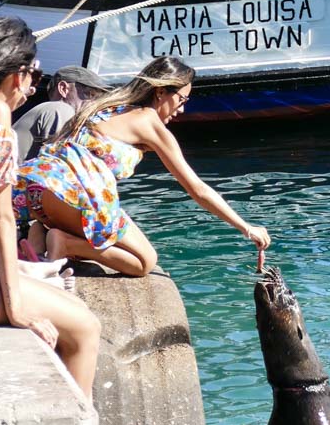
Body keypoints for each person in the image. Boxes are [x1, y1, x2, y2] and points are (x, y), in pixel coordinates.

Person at [0, 17, 139, 425]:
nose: (32, 86)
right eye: (32, 74)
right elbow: (1, 219)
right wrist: (17, 303)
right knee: (84, 328)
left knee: (37, 285)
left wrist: (14, 274)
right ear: (13, 75)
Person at [14, 55, 271, 276]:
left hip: (37, 192)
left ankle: (40, 231)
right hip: (71, 196)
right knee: (144, 263)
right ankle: (63, 242)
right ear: (160, 92)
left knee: (106, 227)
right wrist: (246, 228)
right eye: (181, 99)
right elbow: (197, 189)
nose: (181, 110)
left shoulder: (106, 106)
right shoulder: (148, 122)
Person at [13, 64, 112, 161]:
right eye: (90, 94)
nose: (94, 103)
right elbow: (61, 161)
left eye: (98, 98)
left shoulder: (50, 110)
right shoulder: (61, 108)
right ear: (63, 88)